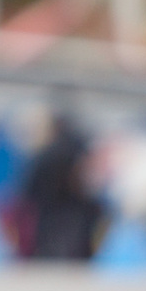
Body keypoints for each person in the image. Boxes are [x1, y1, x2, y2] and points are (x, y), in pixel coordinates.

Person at [22, 107, 102, 261]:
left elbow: (29, 189)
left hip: (51, 213)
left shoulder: (46, 153)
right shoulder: (79, 149)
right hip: (75, 214)